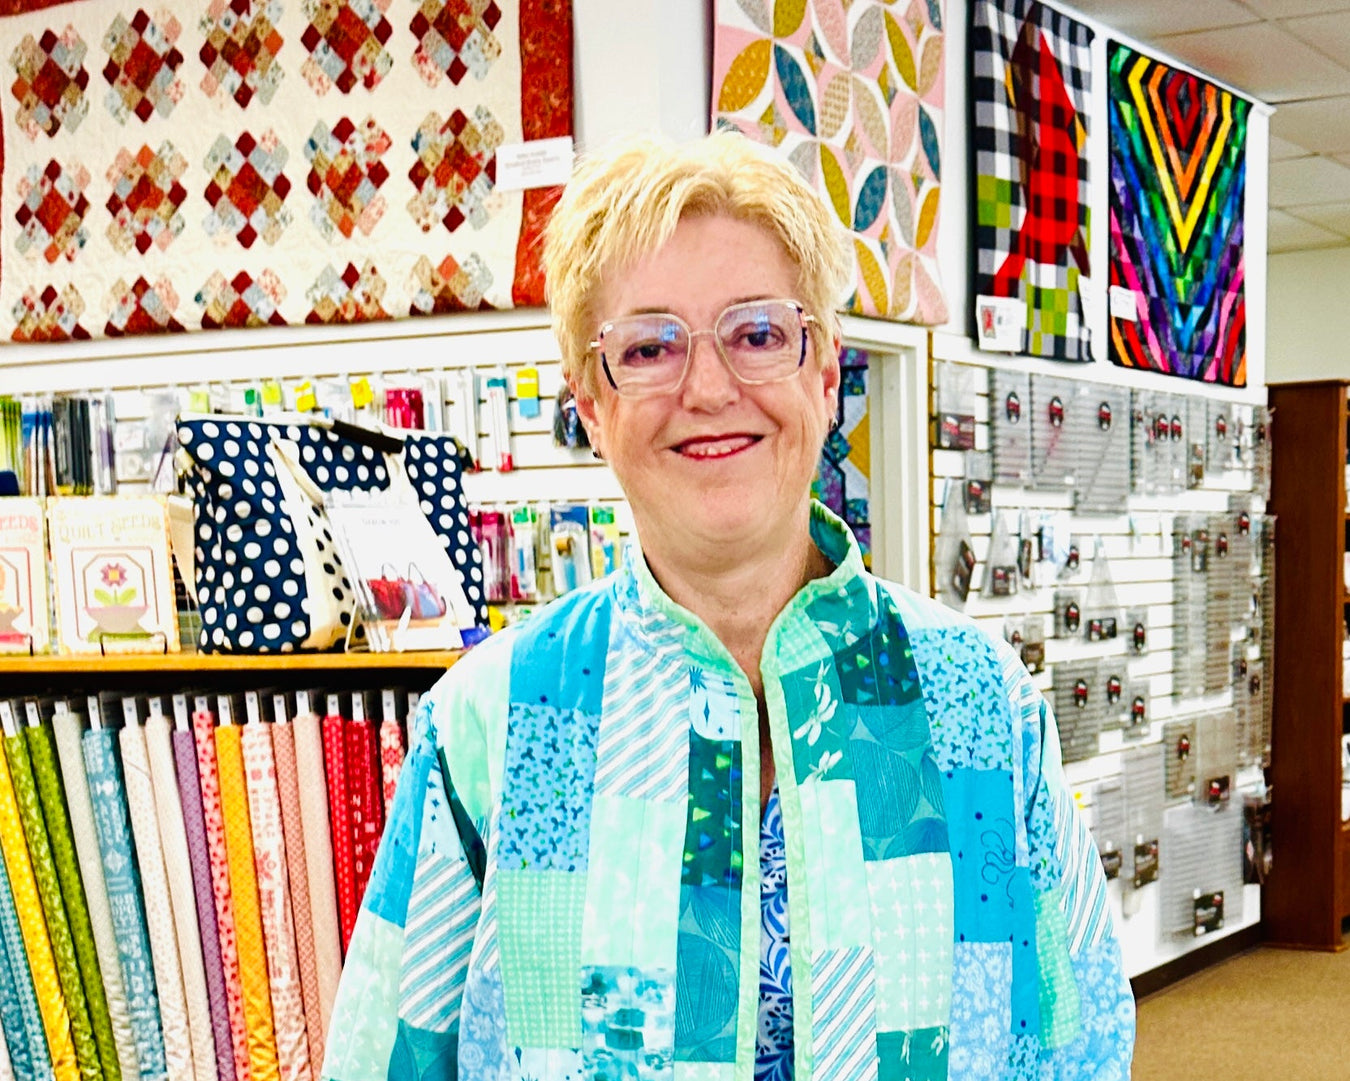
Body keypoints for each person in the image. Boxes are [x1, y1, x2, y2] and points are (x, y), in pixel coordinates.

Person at [322, 131, 1135, 1081]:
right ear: (592, 404)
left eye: (756, 335)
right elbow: (387, 1056)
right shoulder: (494, 720)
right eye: (649, 346)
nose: (708, 389)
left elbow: (1079, 1040)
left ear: (824, 373)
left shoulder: (981, 702)